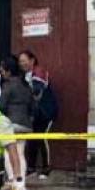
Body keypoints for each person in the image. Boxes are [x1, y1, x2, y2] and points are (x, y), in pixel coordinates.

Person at [18, 50, 57, 178]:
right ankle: (31, 168)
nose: (21, 63)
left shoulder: (39, 71)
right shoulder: (25, 76)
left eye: (24, 60)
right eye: (20, 61)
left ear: (32, 60)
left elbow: (37, 92)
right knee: (32, 139)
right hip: (35, 113)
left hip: (46, 111)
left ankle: (46, 168)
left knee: (42, 137)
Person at [0, 55, 33, 180]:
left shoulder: (8, 85)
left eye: (3, 70)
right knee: (20, 153)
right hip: (26, 124)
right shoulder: (26, 84)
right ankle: (21, 181)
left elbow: (1, 107)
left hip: (11, 124)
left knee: (8, 153)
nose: (1, 72)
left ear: (9, 71)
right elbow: (33, 106)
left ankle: (13, 180)